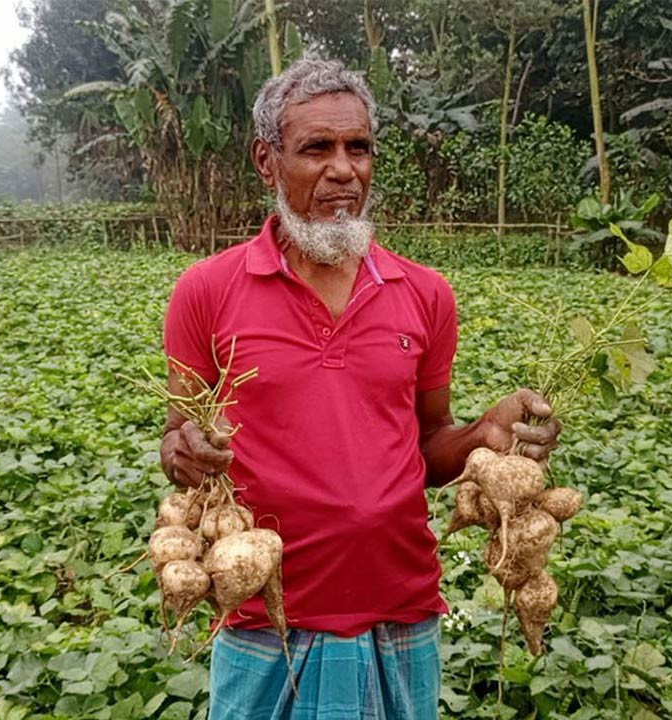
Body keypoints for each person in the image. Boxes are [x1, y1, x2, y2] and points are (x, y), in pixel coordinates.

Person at [159, 58, 561, 720]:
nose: (344, 170)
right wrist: (183, 451)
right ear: (267, 160)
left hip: (400, 607)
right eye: (317, 148)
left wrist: (488, 435)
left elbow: (428, 444)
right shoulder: (205, 292)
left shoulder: (426, 294)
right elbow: (179, 437)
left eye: (359, 148)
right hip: (263, 613)